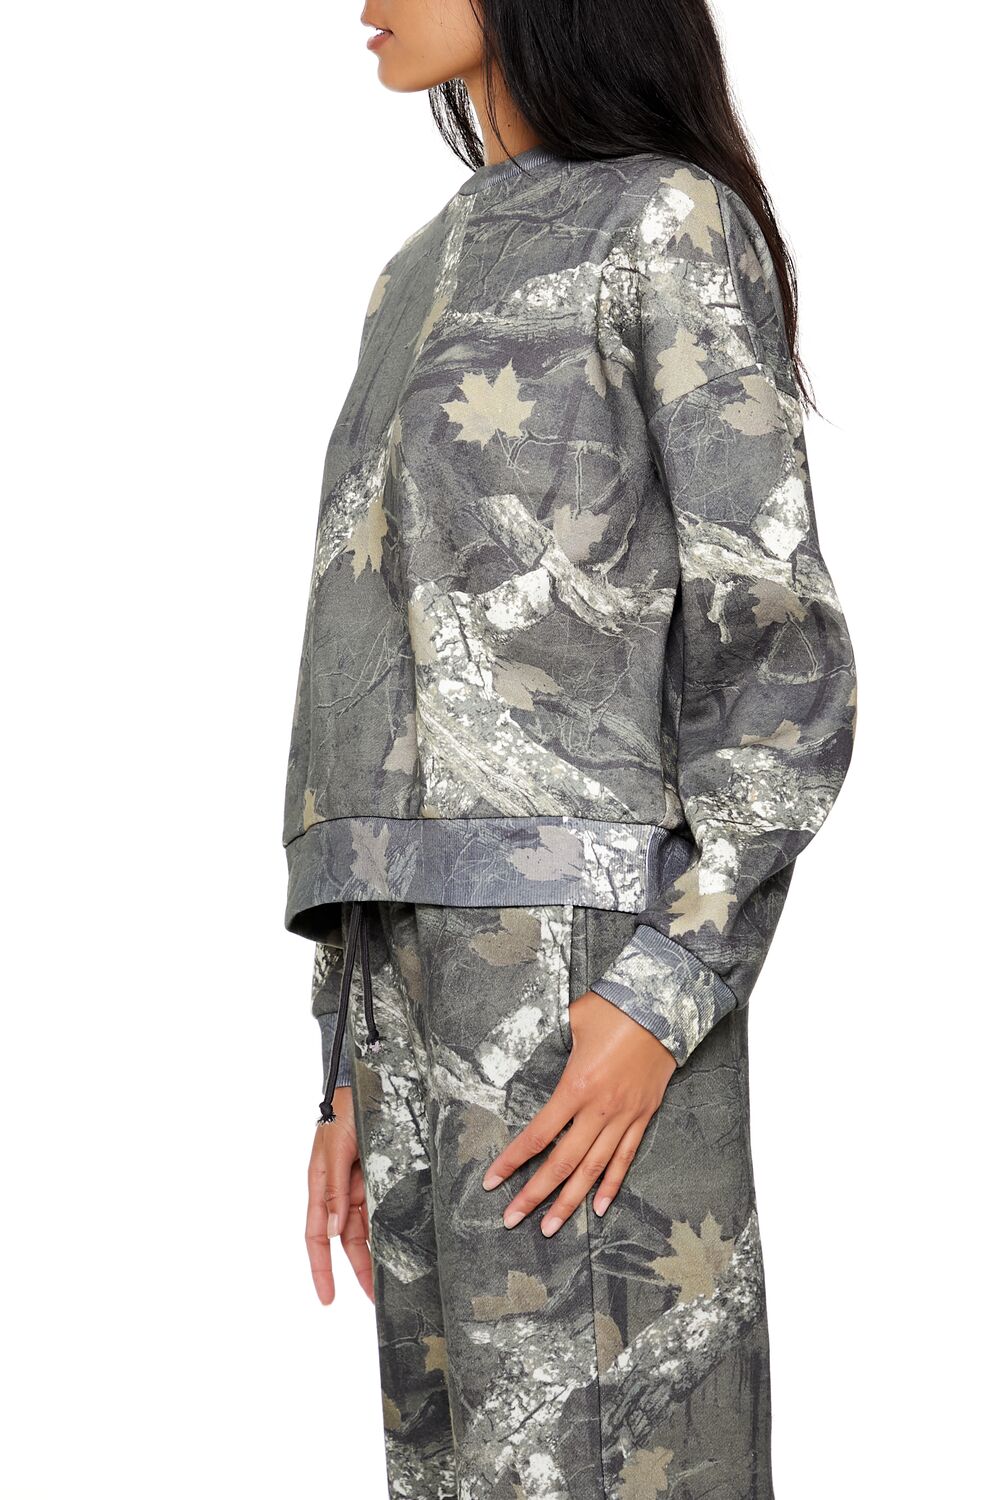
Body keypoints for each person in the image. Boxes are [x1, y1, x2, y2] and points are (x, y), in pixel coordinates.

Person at [282, 2, 857, 1494]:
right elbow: (361, 675)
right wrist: (345, 1057)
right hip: (404, 1002)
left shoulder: (667, 223)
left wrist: (662, 994)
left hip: (583, 978)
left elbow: (773, 648)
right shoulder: (412, 273)